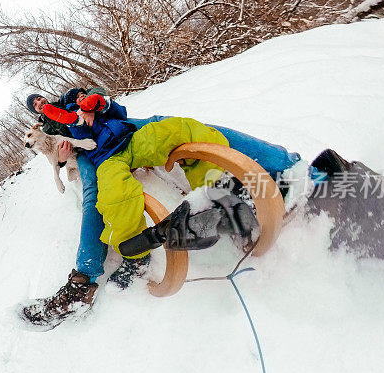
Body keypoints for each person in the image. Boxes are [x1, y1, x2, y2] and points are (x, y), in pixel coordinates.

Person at [20, 88, 303, 329]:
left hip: (130, 137)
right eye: (34, 104)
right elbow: (59, 146)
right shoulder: (56, 120)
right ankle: (129, 259)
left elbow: (119, 111)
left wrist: (101, 103)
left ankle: (227, 188)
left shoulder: (90, 103)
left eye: (39, 99)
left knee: (181, 128)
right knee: (112, 195)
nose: (38, 103)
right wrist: (63, 145)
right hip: (103, 156)